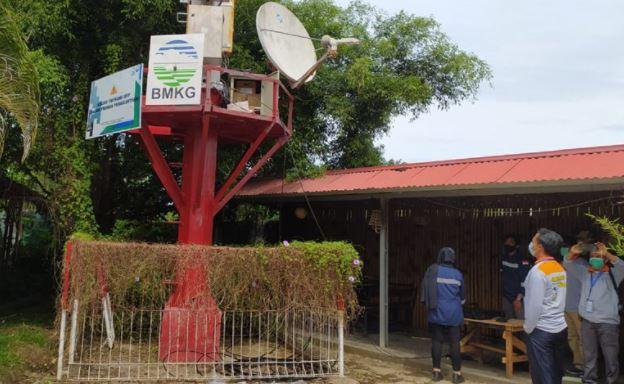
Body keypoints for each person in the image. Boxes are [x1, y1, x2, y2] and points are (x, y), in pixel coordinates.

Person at [564, 241, 624, 384]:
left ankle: (612, 381)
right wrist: (573, 252)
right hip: (587, 321)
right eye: (592, 255)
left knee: (610, 356)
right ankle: (589, 380)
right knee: (589, 355)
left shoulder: (614, 274)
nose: (595, 258)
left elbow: (623, 266)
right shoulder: (584, 272)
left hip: (607, 323)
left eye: (598, 256)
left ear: (604, 259)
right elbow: (567, 263)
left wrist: (607, 253)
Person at [524, 228, 568, 384]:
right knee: (556, 374)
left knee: (542, 376)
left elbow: (534, 306)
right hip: (560, 328)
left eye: (534, 241)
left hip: (541, 331)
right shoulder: (559, 268)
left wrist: (528, 329)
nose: (531, 245)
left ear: (540, 247)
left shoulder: (537, 272)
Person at [421, 247, 466, 383]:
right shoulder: (458, 274)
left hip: (436, 311)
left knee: (437, 341)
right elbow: (463, 298)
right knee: (454, 343)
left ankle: (436, 372)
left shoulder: (433, 270)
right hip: (454, 313)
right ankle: (457, 374)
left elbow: (426, 291)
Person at [562, 232, 592, 377]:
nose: (564, 250)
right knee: (572, 337)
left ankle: (587, 368)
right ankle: (578, 364)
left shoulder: (583, 265)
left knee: (583, 338)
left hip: (578, 308)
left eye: (566, 247)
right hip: (566, 307)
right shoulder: (562, 263)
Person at [500, 235, 531, 319]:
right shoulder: (503, 258)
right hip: (507, 297)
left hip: (519, 298)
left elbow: (525, 281)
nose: (507, 244)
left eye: (510, 242)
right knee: (509, 324)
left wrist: (518, 298)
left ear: (516, 245)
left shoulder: (522, 260)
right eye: (506, 242)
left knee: (520, 325)